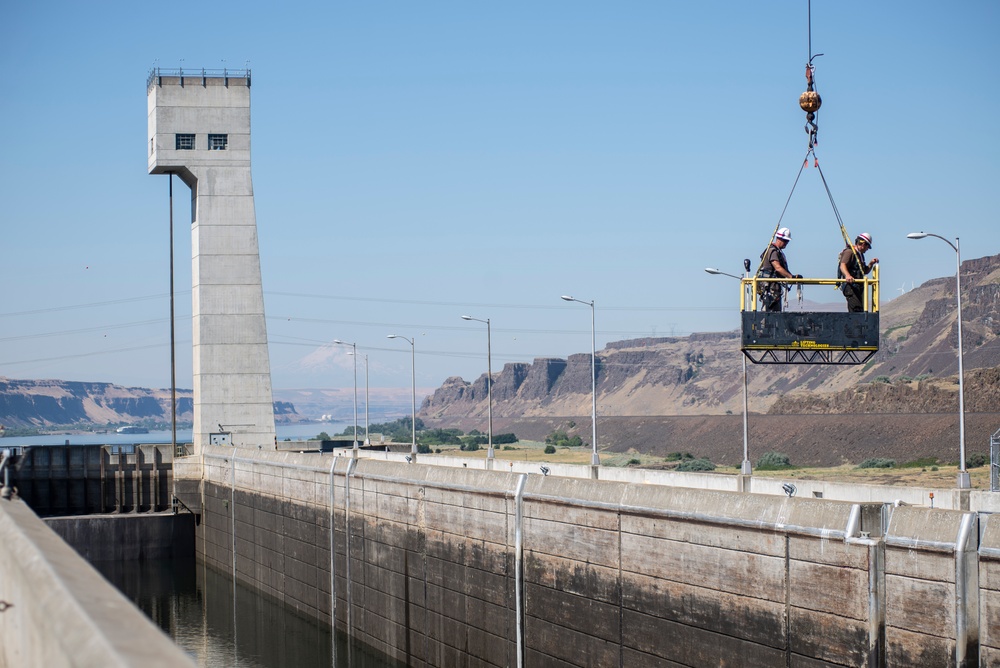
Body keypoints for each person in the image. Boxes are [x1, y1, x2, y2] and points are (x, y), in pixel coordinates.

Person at [758, 227, 801, 312]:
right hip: (770, 288)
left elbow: (783, 270)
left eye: (787, 241)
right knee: (769, 313)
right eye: (785, 241)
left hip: (775, 289)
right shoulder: (772, 251)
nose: (786, 243)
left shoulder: (779, 252)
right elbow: (778, 268)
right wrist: (790, 277)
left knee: (776, 314)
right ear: (778, 238)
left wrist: (794, 277)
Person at [838, 232, 879, 312]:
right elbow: (843, 265)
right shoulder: (849, 252)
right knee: (856, 309)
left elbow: (864, 271)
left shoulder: (860, 255)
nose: (867, 249)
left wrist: (871, 263)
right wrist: (847, 275)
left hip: (857, 287)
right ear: (863, 244)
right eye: (868, 247)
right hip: (850, 286)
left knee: (859, 309)